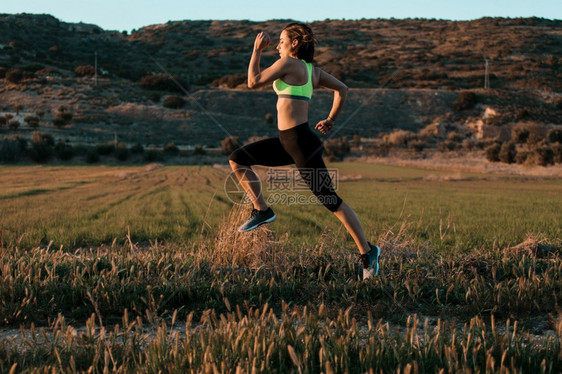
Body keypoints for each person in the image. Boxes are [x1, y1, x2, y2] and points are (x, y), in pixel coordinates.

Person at [228, 23, 380, 279]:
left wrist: (256, 50)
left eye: (281, 40)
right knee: (238, 159)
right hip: (290, 142)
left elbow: (252, 82)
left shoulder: (287, 64)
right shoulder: (313, 72)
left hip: (300, 144)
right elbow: (342, 89)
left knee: (330, 200)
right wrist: (331, 118)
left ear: (295, 43)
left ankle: (368, 252)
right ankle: (262, 210)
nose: (277, 45)